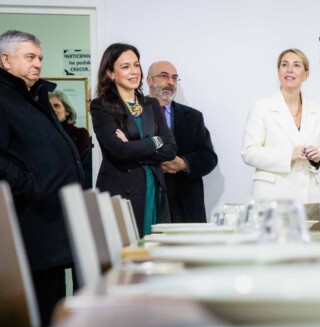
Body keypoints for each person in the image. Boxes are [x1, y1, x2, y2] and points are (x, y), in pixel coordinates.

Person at [0, 30, 84, 327]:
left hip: (53, 221)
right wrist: (31, 187)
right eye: (29, 57)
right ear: (5, 60)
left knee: (53, 312)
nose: (37, 64)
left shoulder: (34, 96)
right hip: (30, 222)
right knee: (35, 318)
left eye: (39, 58)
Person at [91, 43, 177, 236]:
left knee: (156, 252)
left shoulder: (151, 104)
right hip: (121, 192)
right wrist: (155, 142)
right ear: (110, 73)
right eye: (125, 67)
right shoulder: (101, 107)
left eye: (136, 65)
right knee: (127, 256)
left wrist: (132, 145)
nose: (134, 72)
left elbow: (171, 148)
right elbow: (120, 151)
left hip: (154, 188)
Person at [241, 48, 320, 203]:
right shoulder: (262, 106)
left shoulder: (318, 111)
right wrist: (288, 155)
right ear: (278, 72)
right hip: (271, 197)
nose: (289, 70)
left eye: (296, 65)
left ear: (306, 74)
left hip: (310, 196)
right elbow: (249, 152)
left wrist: (318, 158)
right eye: (284, 65)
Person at [147, 60, 218, 223]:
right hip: (148, 200)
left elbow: (209, 157)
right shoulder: (135, 113)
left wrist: (184, 163)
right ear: (149, 81)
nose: (170, 82)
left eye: (174, 78)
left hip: (185, 205)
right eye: (164, 76)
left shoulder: (193, 117)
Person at [49, 90, 92, 189]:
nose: (53, 110)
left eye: (56, 106)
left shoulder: (80, 134)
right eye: (49, 107)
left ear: (67, 111)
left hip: (73, 187)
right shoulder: (42, 134)